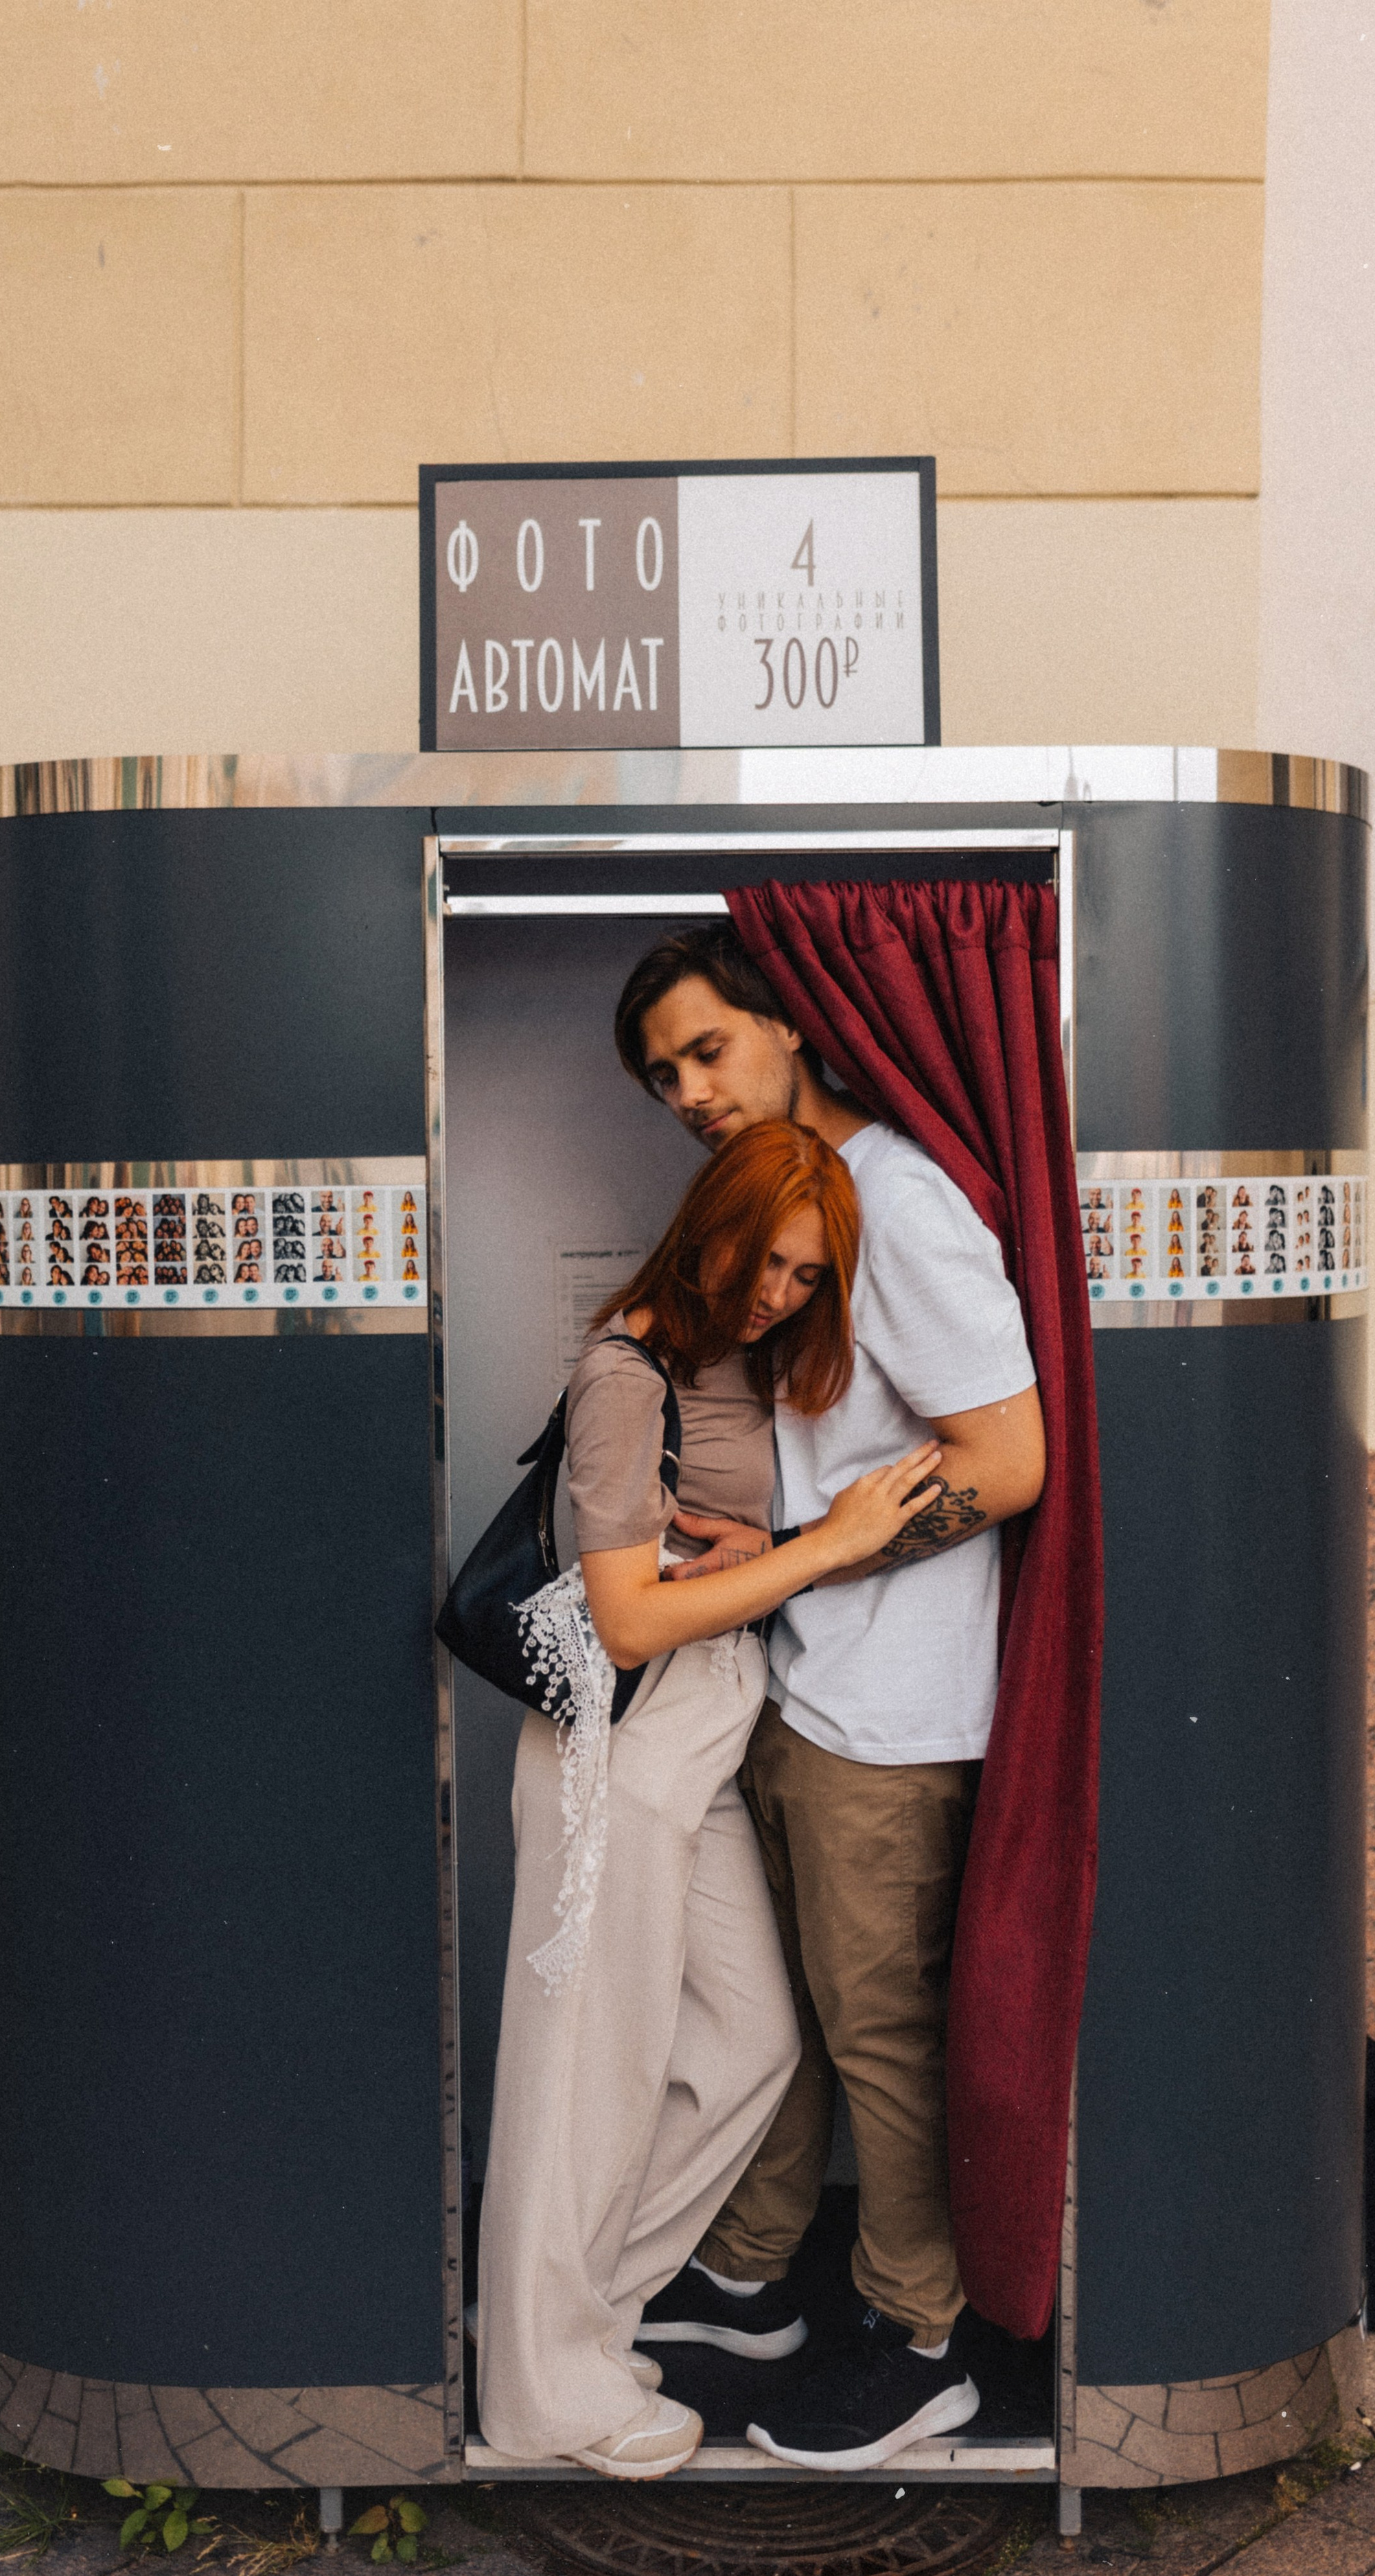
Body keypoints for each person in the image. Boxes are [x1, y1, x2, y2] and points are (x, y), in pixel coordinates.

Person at [614, 923, 1045, 2474]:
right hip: (805, 1690)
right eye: (662, 1073)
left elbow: (1005, 1465)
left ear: (788, 1023)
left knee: (876, 2036)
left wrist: (816, 1555)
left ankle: (917, 2339)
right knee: (773, 2017)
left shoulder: (905, 1209)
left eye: (705, 1049)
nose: (685, 1090)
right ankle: (749, 2284)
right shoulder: (796, 1195)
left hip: (896, 1717)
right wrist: (786, 1550)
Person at [475, 1119, 945, 2480]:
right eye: (765, 1260)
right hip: (618, 1746)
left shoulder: (719, 1359)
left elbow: (678, 1559)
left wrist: (773, 1545)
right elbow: (622, 1621)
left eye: (807, 1277)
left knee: (746, 2045)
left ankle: (572, 2318)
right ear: (708, 1222)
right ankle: (540, 2387)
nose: (779, 1294)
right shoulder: (627, 1367)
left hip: (699, 1742)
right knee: (587, 2081)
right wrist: (830, 1550)